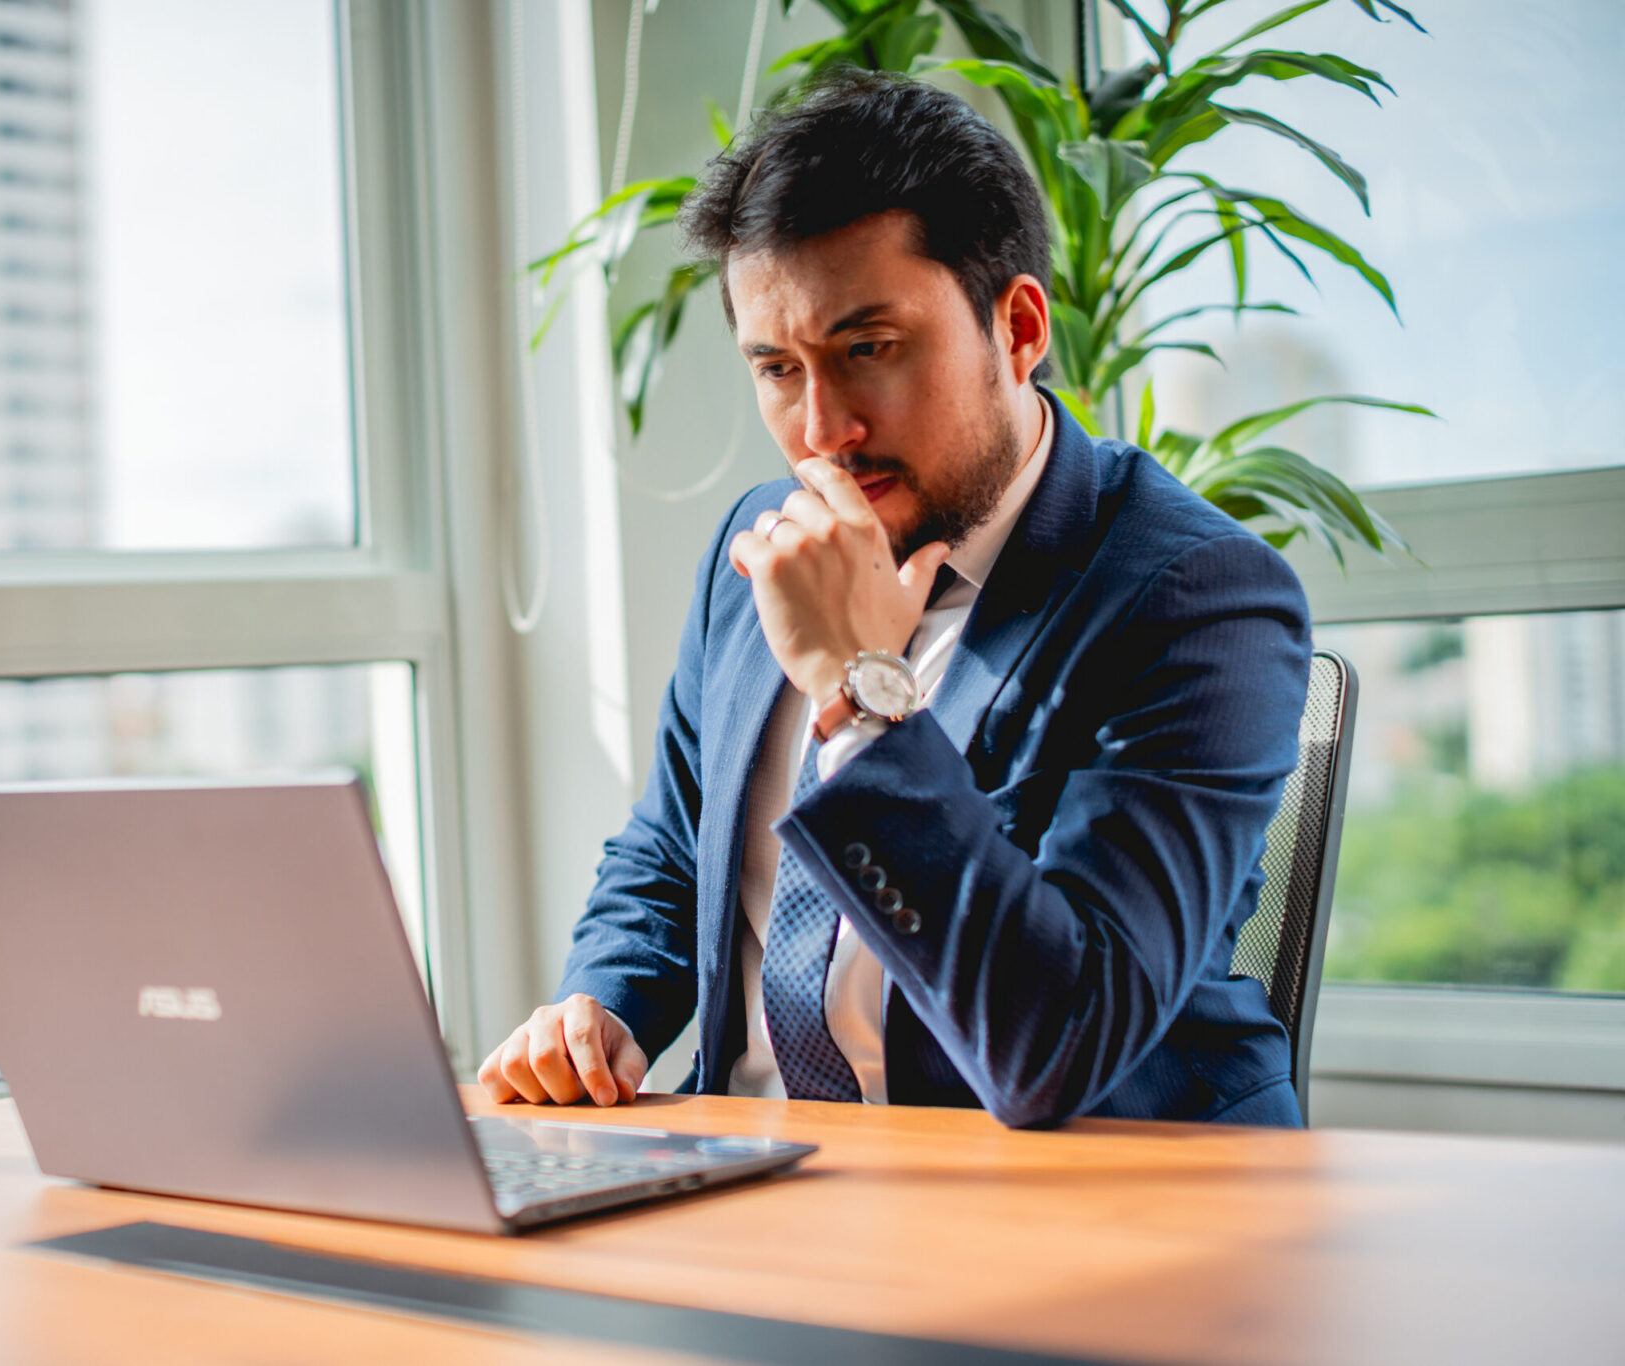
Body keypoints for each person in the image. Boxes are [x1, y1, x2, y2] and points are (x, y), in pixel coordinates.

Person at [478, 71, 1313, 1128]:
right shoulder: (758, 546)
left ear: (1015, 329)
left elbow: (1060, 1040)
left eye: (866, 349)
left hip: (1079, 1206)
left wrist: (852, 693)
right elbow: (670, 848)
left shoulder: (1196, 597)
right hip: (759, 1176)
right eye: (777, 367)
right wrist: (597, 1007)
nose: (820, 428)